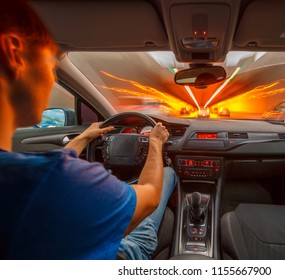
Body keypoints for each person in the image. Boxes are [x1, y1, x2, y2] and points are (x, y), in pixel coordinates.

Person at [0, 0, 177, 259]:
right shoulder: (66, 182)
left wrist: (83, 136)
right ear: (14, 52)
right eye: (52, 68)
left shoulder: (34, 178)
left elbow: (52, 171)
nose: (52, 80)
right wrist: (156, 143)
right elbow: (150, 196)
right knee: (168, 174)